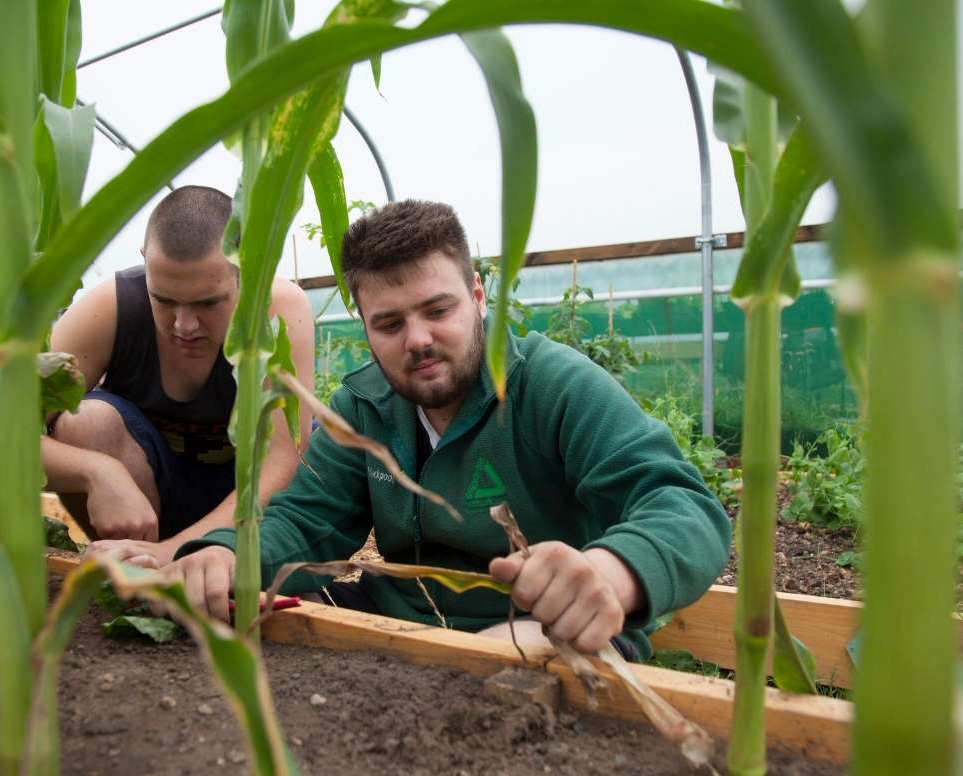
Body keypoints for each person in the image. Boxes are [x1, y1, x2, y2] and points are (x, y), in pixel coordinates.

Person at [161, 199, 730, 660]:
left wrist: (611, 572)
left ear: (478, 297)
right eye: (389, 323)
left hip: (540, 627)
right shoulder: (364, 406)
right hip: (400, 619)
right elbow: (308, 518)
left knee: (520, 661)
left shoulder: (551, 385)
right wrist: (225, 553)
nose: (417, 340)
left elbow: (682, 504)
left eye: (438, 310)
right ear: (365, 327)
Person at [44, 186, 314, 568]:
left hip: (252, 516)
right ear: (146, 262)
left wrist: (175, 550)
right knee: (84, 422)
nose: (184, 325)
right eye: (164, 300)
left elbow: (284, 460)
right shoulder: (112, 306)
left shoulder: (278, 310)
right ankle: (134, 573)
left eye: (208, 302)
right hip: (148, 506)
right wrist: (96, 472)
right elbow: (4, 435)